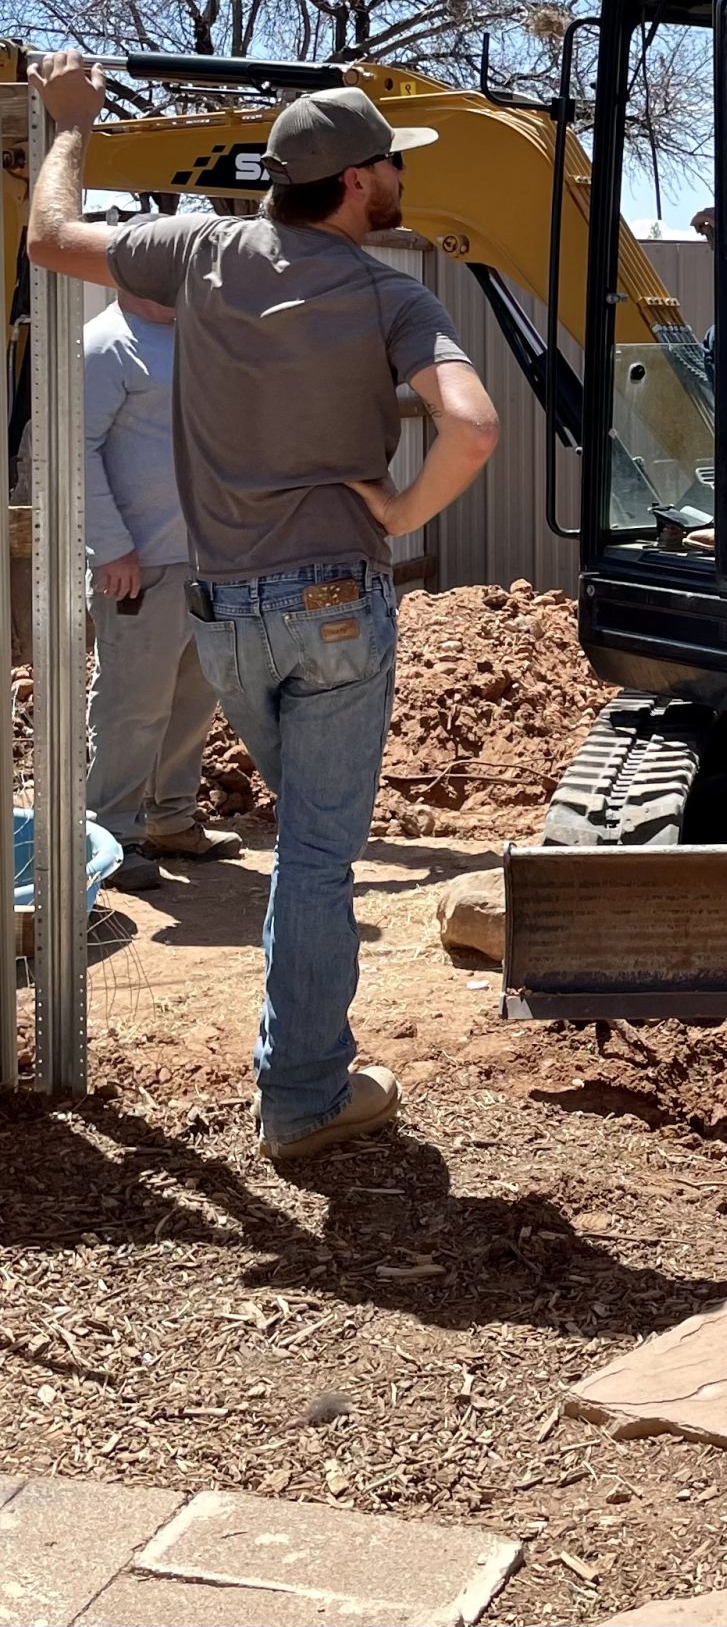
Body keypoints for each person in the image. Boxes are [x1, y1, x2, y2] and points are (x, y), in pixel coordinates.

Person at [27, 56, 501, 1162]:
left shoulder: (196, 248)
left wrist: (69, 125)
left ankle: (306, 1070)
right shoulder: (391, 294)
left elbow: (50, 238)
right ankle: (301, 1095)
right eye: (389, 162)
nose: (397, 177)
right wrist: (395, 510)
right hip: (337, 600)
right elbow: (473, 429)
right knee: (319, 853)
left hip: (224, 610)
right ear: (351, 182)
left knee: (307, 847)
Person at [84, 281, 239, 892]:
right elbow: (78, 451)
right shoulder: (104, 347)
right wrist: (111, 545)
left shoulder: (190, 336)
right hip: (139, 564)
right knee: (133, 704)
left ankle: (170, 820)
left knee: (196, 696)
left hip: (206, 557)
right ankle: (111, 834)